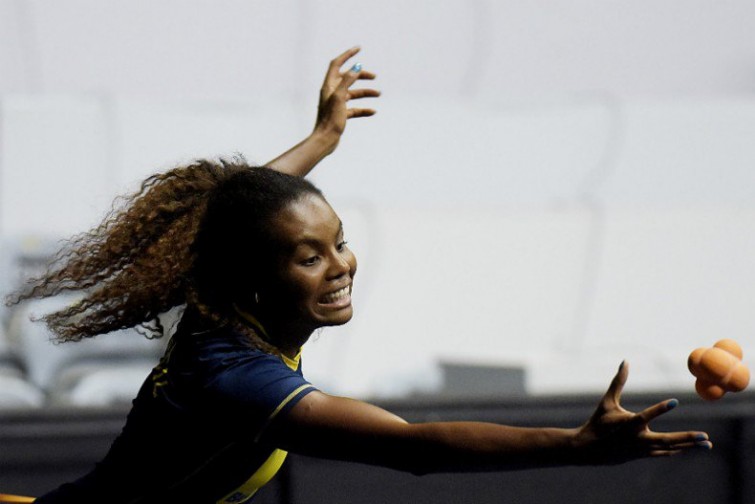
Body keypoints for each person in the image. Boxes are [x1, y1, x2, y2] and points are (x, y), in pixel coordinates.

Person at [5, 47, 711, 504]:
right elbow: (414, 448)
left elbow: (235, 213)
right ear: (255, 279)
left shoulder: (223, 296)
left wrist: (321, 140)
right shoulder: (237, 379)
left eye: (338, 241)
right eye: (309, 256)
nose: (341, 264)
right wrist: (575, 447)